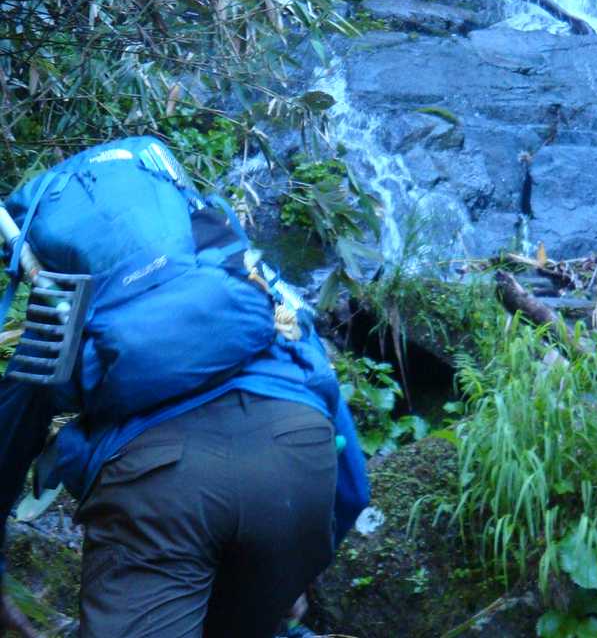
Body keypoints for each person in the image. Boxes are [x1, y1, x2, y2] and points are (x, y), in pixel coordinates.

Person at [0, 137, 369, 638]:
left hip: (158, 487)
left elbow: (8, 439)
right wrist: (291, 570)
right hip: (295, 457)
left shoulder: (64, 301)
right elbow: (352, 482)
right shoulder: (234, 263)